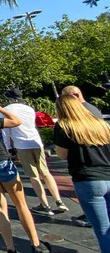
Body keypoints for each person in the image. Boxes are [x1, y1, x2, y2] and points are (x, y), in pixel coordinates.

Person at [0, 99, 51, 253]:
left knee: (0, 206)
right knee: (21, 204)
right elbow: (16, 121)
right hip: (1, 162)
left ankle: (10, 247)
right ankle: (35, 244)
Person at [54, 94, 110, 252]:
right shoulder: (100, 124)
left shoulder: (64, 126)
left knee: (103, 229)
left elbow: (62, 154)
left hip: (87, 179)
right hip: (108, 174)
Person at [2, 88, 68, 216]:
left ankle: (45, 205)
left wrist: (8, 147)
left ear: (9, 98)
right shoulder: (29, 108)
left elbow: (5, 131)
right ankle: (59, 201)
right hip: (36, 141)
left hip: (22, 144)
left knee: (34, 175)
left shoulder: (6, 110)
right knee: (45, 172)